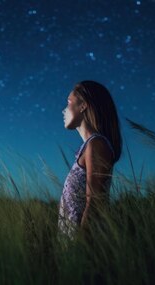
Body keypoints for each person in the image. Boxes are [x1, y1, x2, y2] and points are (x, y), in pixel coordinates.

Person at [58, 80, 123, 241]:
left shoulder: (97, 144)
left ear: (83, 106)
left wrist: (81, 247)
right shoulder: (89, 146)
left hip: (86, 245)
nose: (63, 110)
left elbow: (94, 203)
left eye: (68, 103)